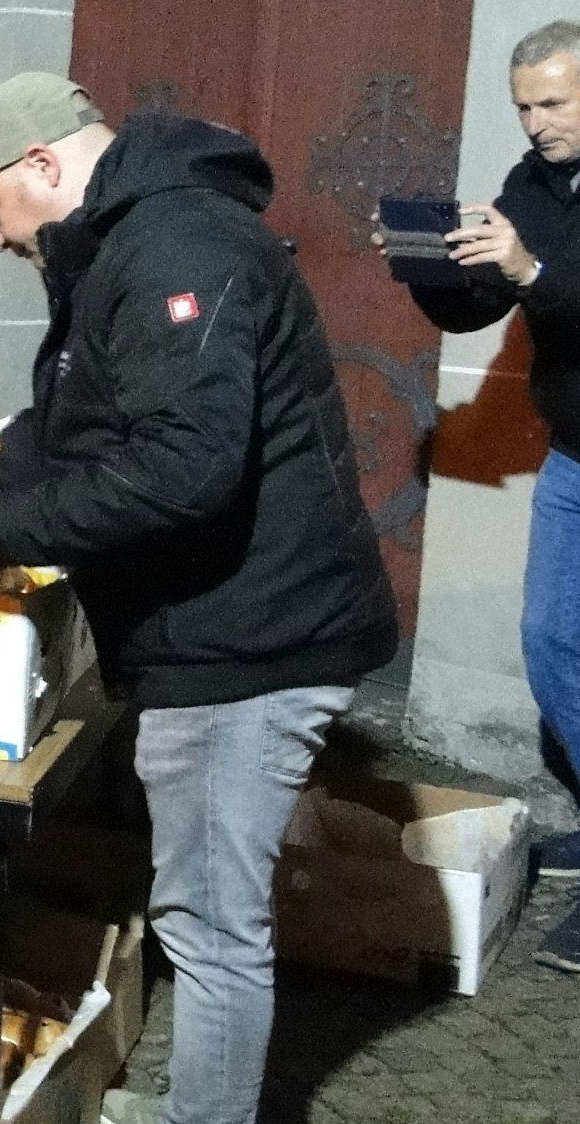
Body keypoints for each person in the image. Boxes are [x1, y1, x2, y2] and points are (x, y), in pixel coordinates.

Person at [0, 74, 398, 1124]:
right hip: (218, 623)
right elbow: (79, 419)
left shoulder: (173, 248)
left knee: (208, 921)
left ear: (41, 165)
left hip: (249, 637)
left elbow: (184, 467)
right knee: (202, 909)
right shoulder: (128, 242)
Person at [385, 20, 580, 973]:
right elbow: (482, 304)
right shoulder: (536, 180)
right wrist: (426, 265)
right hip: (575, 458)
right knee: (551, 643)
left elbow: (543, 285)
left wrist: (531, 270)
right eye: (524, 106)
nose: (536, 122)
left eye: (554, 103)